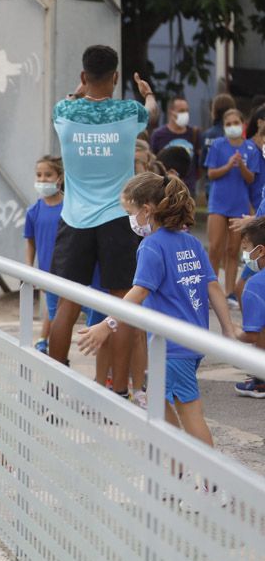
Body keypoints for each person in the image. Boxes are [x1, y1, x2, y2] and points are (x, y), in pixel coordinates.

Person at [78, 173, 236, 505]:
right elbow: (213, 288)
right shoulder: (190, 241)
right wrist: (228, 331)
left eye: (130, 211)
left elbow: (139, 292)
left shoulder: (152, 246)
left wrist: (107, 324)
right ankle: (177, 478)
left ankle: (213, 486)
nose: (129, 220)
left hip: (172, 345)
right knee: (162, 408)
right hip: (189, 342)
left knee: (189, 413)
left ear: (148, 209)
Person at [48, 44, 158, 401]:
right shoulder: (130, 112)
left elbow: (71, 98)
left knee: (67, 304)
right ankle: (121, 389)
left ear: (83, 76)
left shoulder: (64, 111)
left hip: (75, 219)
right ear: (115, 77)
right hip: (118, 219)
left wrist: (80, 91)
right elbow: (151, 113)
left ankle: (53, 389)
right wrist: (148, 93)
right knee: (121, 304)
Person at [204, 108, 261, 307]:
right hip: (218, 203)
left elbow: (251, 178)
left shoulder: (251, 149)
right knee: (215, 248)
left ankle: (229, 293)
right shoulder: (218, 145)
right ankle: (210, 291)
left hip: (239, 204)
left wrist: (241, 166)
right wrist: (228, 165)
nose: (232, 127)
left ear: (243, 123)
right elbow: (211, 174)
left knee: (233, 249)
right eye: (228, 124)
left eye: (235, 123)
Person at [23, 155, 65, 354]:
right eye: (39, 175)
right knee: (54, 312)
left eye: (48, 174)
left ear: (60, 177)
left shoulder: (70, 208)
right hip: (47, 272)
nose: (42, 179)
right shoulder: (33, 211)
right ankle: (47, 345)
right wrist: (28, 269)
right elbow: (30, 243)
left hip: (71, 272)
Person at [234, 216, 265, 397]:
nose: (244, 255)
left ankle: (261, 380)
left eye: (245, 249)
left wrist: (235, 330)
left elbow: (251, 336)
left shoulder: (254, 285)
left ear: (260, 250)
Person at [149, 97, 200, 194]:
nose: (185, 114)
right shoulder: (158, 135)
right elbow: (153, 161)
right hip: (164, 189)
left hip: (188, 189)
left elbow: (198, 164)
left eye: (186, 111)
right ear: (171, 112)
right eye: (181, 111)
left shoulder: (194, 133)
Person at [200, 93, 237, 197]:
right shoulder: (235, 135)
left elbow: (203, 163)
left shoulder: (207, 135)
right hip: (232, 187)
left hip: (211, 186)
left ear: (214, 111)